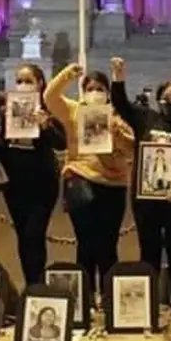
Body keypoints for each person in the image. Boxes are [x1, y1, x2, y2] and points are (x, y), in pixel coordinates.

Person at [110, 57, 171, 310]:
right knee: (148, 251)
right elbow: (120, 104)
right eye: (167, 98)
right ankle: (148, 305)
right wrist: (118, 75)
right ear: (158, 99)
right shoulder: (145, 118)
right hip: (146, 200)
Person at [0, 38, 66, 286]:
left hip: (42, 182)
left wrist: (45, 125)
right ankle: (31, 284)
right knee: (23, 237)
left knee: (35, 235)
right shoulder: (6, 104)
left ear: (40, 84)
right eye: (19, 80)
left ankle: (37, 285)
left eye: (28, 81)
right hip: (14, 182)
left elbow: (62, 143)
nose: (23, 84)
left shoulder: (49, 108)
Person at [44, 64, 134, 295]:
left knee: (108, 244)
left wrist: (118, 136)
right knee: (85, 242)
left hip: (113, 185)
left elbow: (132, 149)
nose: (95, 92)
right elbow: (50, 97)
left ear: (108, 92)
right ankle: (84, 298)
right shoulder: (74, 110)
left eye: (100, 88)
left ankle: (107, 296)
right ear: (83, 92)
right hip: (81, 179)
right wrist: (67, 76)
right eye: (90, 88)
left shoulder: (118, 115)